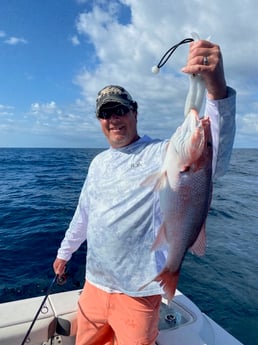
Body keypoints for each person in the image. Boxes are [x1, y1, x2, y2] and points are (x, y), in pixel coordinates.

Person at [53, 39, 236, 345]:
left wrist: (215, 89)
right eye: (106, 113)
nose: (114, 118)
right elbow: (84, 214)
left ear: (134, 112)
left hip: (138, 293)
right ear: (99, 121)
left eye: (120, 110)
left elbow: (215, 153)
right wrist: (64, 253)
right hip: (95, 285)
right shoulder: (98, 163)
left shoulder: (162, 153)